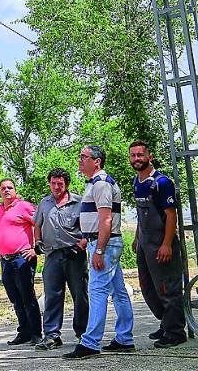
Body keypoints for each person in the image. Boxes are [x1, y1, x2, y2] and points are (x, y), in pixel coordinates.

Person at [64, 145, 135, 360]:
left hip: (105, 245)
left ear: (97, 161)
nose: (79, 160)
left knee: (97, 291)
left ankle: (91, 342)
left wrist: (99, 249)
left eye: (83, 157)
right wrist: (87, 238)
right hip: (101, 242)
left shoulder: (101, 184)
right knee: (119, 292)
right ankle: (124, 338)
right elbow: (99, 219)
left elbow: (106, 219)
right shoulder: (96, 183)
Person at [129, 140, 187, 348]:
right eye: (133, 155)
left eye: (140, 155)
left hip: (161, 244)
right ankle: (166, 323)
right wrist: (137, 238)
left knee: (167, 288)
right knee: (148, 288)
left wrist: (167, 244)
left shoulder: (161, 182)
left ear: (149, 157)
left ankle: (175, 332)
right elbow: (139, 214)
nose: (136, 159)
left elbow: (171, 216)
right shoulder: (137, 182)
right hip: (145, 244)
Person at [33, 168, 89, 351]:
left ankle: (83, 333)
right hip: (52, 256)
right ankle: (51, 336)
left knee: (80, 295)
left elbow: (89, 227)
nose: (56, 187)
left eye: (60, 184)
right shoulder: (44, 203)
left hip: (75, 255)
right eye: (53, 183)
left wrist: (82, 243)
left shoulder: (79, 202)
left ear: (67, 185)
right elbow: (37, 225)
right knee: (52, 296)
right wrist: (38, 241)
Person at [0, 178, 42, 346]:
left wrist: (35, 248)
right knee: (15, 298)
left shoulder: (24, 206)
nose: (7, 190)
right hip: (5, 261)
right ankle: (24, 332)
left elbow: (39, 223)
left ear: (15, 190)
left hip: (22, 258)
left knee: (27, 296)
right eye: (3, 188)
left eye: (10, 187)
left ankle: (36, 333)